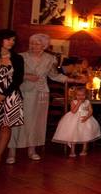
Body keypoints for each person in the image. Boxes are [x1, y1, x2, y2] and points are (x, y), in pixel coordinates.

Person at [10, 33, 81, 163]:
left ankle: (32, 150)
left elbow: (54, 75)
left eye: (37, 43)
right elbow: (12, 73)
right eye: (31, 43)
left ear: (44, 46)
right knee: (18, 121)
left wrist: (72, 80)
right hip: (23, 92)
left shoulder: (50, 58)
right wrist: (25, 76)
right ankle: (12, 152)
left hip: (41, 93)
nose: (33, 46)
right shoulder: (20, 57)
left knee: (37, 122)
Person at [0, 29, 25, 173]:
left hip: (10, 97)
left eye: (13, 40)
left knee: (5, 126)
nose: (11, 42)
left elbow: (18, 80)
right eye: (8, 39)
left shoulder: (17, 58)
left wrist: (3, 95)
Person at [52, 85, 101, 157]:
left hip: (85, 119)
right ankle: (72, 151)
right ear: (75, 95)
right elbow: (73, 111)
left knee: (86, 134)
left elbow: (90, 111)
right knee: (73, 134)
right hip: (74, 120)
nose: (80, 97)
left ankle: (84, 149)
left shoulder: (87, 102)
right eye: (78, 95)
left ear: (86, 95)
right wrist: (78, 103)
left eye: (83, 95)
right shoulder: (73, 102)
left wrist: (87, 117)